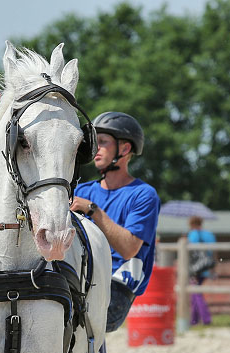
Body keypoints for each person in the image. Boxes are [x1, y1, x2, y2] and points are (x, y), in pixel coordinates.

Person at [69, 111, 161, 332]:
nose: (95, 150)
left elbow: (129, 248)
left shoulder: (143, 195)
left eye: (102, 143)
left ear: (125, 149)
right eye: (94, 143)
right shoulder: (82, 190)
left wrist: (92, 210)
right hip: (81, 277)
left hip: (117, 285)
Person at [187, 215, 215, 326]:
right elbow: (214, 252)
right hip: (206, 267)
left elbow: (190, 253)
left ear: (192, 224)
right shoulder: (209, 235)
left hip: (195, 269)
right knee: (195, 292)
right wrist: (213, 267)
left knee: (196, 293)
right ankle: (194, 319)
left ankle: (206, 318)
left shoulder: (192, 234)